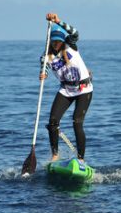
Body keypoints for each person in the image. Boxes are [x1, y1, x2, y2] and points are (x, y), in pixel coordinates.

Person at [39, 12, 93, 162]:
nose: (56, 44)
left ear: (62, 41)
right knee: (53, 122)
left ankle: (81, 159)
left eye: (58, 41)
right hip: (66, 90)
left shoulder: (71, 46)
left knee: (77, 121)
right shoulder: (46, 56)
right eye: (54, 41)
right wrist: (43, 74)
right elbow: (45, 68)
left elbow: (75, 33)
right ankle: (55, 155)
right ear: (50, 41)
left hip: (84, 89)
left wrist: (58, 21)